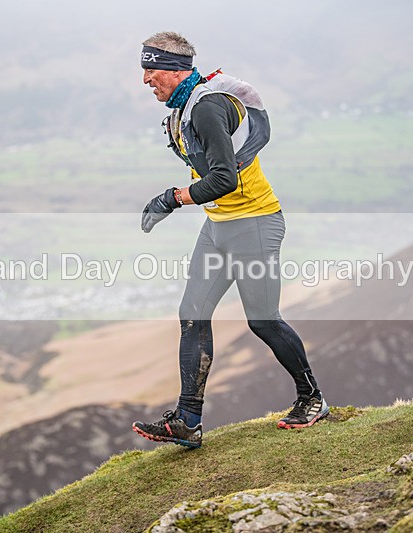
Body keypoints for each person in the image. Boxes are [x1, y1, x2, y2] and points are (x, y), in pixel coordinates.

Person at [132, 31, 328, 449]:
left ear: (173, 69)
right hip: (218, 227)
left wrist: (171, 198)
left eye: (151, 70)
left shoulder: (205, 108)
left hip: (254, 224)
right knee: (192, 313)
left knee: (262, 320)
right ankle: (188, 420)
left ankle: (313, 398)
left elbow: (223, 178)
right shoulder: (185, 107)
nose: (146, 79)